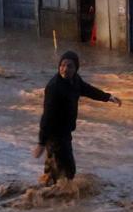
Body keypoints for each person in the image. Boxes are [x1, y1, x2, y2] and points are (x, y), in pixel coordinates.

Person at [33, 50, 121, 183]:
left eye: (70, 66)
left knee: (55, 171)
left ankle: (44, 196)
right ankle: (54, 197)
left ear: (76, 68)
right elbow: (47, 116)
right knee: (68, 172)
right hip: (55, 135)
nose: (65, 69)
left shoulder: (75, 81)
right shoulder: (54, 87)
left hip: (65, 133)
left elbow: (88, 90)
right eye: (62, 65)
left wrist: (108, 97)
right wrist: (41, 142)